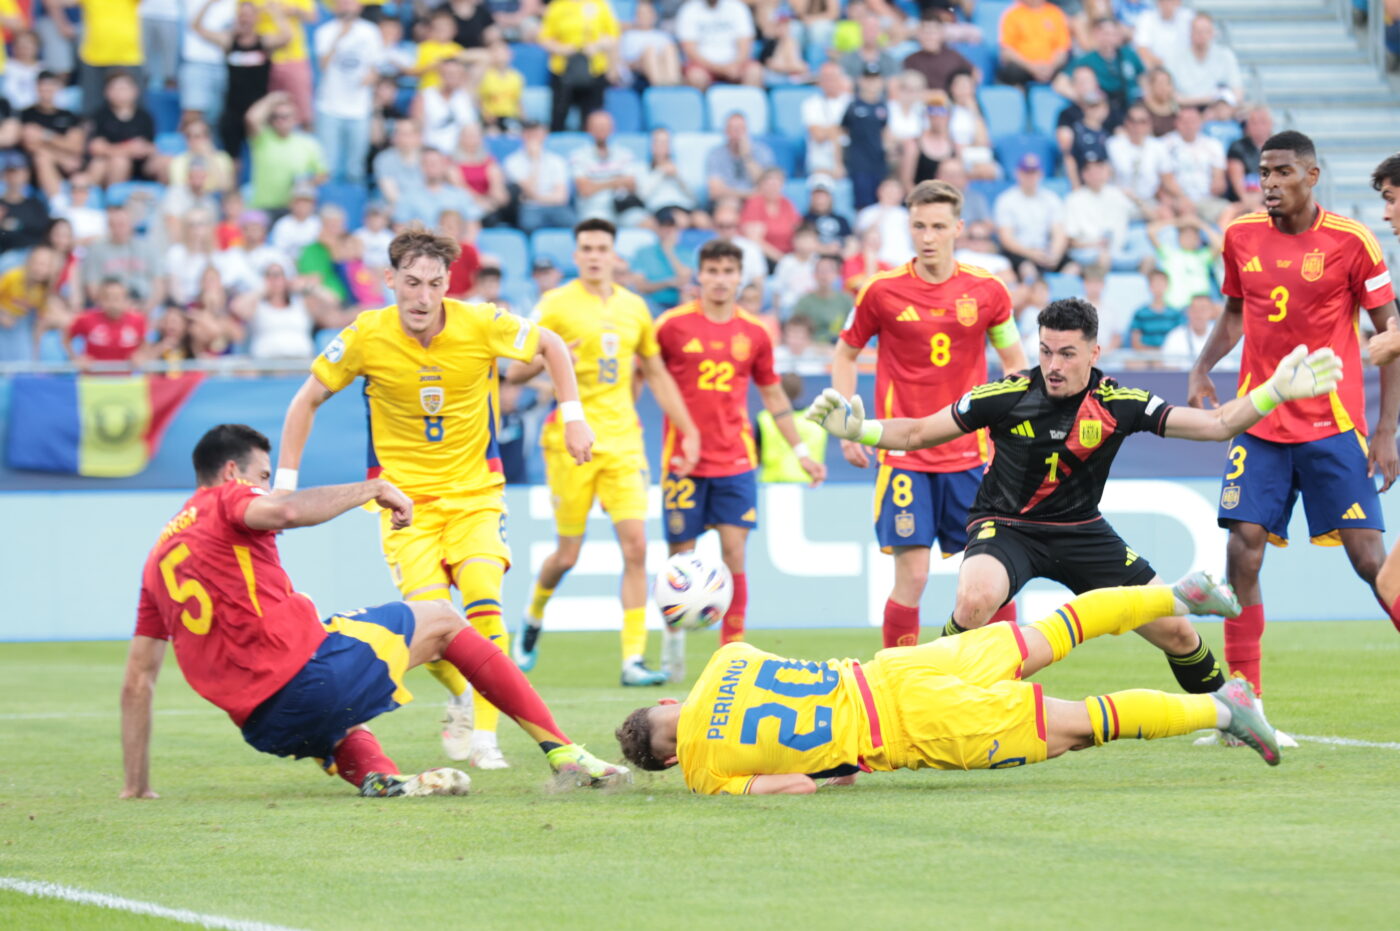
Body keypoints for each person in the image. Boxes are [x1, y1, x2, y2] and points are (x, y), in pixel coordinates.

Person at [814, 296, 1345, 694]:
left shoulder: (1119, 402)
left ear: (1094, 351)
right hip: (1006, 527)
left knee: (1179, 635)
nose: (1054, 365)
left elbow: (1217, 424)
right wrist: (860, 430)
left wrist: (1274, 392)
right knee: (974, 601)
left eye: (1067, 354)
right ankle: (926, 690)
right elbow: (916, 433)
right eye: (1046, 351)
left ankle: (1228, 712)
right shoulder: (1006, 395)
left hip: (1082, 532)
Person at [120, 423, 628, 800]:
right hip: (307, 681)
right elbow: (285, 511)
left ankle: (377, 775)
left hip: (264, 728)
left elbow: (138, 681)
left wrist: (136, 786)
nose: (266, 487)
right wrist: (375, 488)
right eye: (263, 477)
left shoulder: (156, 559)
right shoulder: (227, 498)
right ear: (232, 472)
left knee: (333, 697)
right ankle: (564, 752)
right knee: (442, 618)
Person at [275, 228, 596, 770]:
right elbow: (306, 400)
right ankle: (465, 694)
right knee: (430, 624)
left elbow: (551, 345)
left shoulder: (481, 322)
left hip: (476, 493)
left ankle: (487, 739)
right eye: (411, 282)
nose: (423, 297)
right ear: (389, 279)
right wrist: (284, 486)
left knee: (483, 600)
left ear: (449, 284)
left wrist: (574, 417)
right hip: (403, 503)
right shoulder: (365, 335)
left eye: (434, 284)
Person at [614, 574, 1280, 794]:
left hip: (910, 727)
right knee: (1055, 629)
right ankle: (1178, 593)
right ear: (670, 702)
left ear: (668, 758)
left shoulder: (703, 772)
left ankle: (1225, 708)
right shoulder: (725, 661)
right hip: (900, 668)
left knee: (1079, 727)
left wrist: (824, 770)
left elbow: (795, 786)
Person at [1187, 132, 1399, 735]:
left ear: (1312, 175)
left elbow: (1391, 337)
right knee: (1242, 550)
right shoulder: (1240, 236)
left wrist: (1386, 429)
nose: (1270, 183)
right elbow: (1235, 312)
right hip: (1258, 421)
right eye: (1264, 173)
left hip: (1333, 426)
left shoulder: (1352, 241)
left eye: (1282, 172)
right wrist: (1202, 368)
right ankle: (1243, 708)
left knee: (1369, 560)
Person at [832, 180, 1025, 649]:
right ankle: (898, 680)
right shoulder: (880, 291)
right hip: (904, 456)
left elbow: (1015, 364)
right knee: (913, 576)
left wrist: (1014, 429)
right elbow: (844, 354)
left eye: (938, 226)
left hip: (971, 456)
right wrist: (847, 427)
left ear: (958, 227)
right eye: (919, 226)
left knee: (991, 579)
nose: (928, 236)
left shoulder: (988, 291)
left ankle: (1007, 677)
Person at [508, 219, 701, 685]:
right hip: (570, 442)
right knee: (567, 555)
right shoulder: (555, 304)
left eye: (602, 248)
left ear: (614, 255)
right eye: (587, 248)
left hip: (623, 440)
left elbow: (656, 373)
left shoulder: (635, 308)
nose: (594, 256)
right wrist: (551, 357)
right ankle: (533, 615)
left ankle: (633, 659)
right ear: (576, 255)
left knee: (636, 547)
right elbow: (513, 372)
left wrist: (688, 429)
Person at [655, 239, 827, 673]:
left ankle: (730, 658)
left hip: (735, 461)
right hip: (683, 462)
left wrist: (801, 451)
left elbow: (773, 395)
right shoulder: (671, 327)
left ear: (740, 278)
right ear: (699, 275)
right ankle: (673, 647)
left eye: (728, 271)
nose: (719, 279)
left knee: (734, 555)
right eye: (712, 271)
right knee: (680, 561)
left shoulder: (754, 333)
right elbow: (650, 377)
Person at [313, 0, 383, 185]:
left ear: (359, 6)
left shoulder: (371, 32)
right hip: (329, 107)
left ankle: (355, 200)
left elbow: (376, 67)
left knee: (355, 168)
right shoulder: (325, 32)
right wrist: (338, 38)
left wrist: (371, 77)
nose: (347, 6)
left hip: (359, 108)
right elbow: (323, 65)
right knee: (328, 165)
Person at [537, 0, 618, 131]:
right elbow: (544, 38)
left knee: (592, 116)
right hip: (562, 70)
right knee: (559, 116)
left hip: (594, 69)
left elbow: (613, 35)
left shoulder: (600, 4)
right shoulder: (557, 6)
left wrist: (598, 45)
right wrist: (562, 48)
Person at [675, 0, 763, 89]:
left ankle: (747, 98)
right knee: (696, 77)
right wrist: (721, 69)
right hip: (703, 66)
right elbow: (690, 50)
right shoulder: (689, 9)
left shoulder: (737, 7)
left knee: (754, 72)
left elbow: (745, 43)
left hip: (735, 64)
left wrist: (735, 66)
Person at [64, 277, 147, 367]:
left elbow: (144, 344)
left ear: (126, 299)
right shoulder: (86, 319)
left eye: (117, 298)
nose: (113, 303)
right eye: (107, 298)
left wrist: (141, 355)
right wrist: (75, 358)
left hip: (125, 375)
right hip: (93, 375)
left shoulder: (138, 320)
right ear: (100, 299)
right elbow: (66, 336)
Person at [996, 0, 1071, 88]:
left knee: (1069, 68)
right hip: (1023, 67)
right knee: (1010, 70)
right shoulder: (1012, 14)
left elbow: (1062, 49)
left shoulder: (1055, 13)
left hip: (1051, 68)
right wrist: (1031, 67)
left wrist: (1051, 67)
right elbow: (1007, 51)